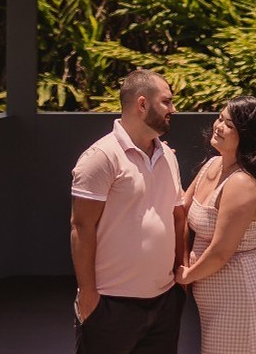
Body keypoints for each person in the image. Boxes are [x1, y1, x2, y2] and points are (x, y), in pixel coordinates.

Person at [70, 69, 186, 354]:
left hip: (163, 304)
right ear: (142, 104)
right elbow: (81, 227)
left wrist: (178, 287)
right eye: (167, 101)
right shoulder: (101, 157)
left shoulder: (168, 156)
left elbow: (177, 215)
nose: (174, 109)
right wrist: (88, 296)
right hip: (111, 305)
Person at [178, 97, 256, 354]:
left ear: (247, 136)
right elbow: (181, 208)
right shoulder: (212, 165)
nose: (218, 126)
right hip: (219, 302)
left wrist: (185, 276)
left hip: (243, 300)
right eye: (219, 118)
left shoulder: (241, 184)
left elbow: (221, 252)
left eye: (229, 124)